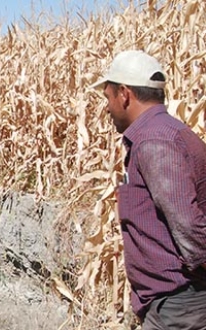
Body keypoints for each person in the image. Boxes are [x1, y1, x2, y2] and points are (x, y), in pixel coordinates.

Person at [90, 50, 206, 329]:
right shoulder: (170, 132)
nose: (107, 107)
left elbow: (189, 229)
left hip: (178, 307)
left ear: (124, 94)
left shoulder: (155, 142)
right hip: (178, 304)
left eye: (108, 97)